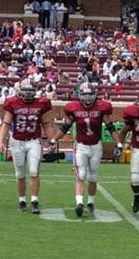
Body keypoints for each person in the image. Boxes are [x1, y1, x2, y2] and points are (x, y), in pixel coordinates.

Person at [52, 83, 122, 217]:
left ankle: (90, 202)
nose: (88, 97)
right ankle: (79, 203)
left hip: (96, 146)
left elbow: (111, 127)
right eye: (85, 94)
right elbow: (65, 127)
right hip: (81, 146)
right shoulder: (75, 109)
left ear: (95, 95)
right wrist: (54, 139)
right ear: (80, 96)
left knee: (93, 176)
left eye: (90, 94)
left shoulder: (101, 109)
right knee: (81, 174)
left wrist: (118, 142)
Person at [0, 79, 56, 214]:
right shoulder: (13, 103)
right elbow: (6, 124)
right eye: (26, 91)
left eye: (31, 91)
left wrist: (52, 140)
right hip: (17, 141)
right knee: (20, 174)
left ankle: (34, 200)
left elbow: (46, 124)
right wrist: (0, 140)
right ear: (20, 91)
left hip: (33, 141)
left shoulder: (41, 103)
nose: (29, 94)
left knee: (34, 171)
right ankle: (22, 200)